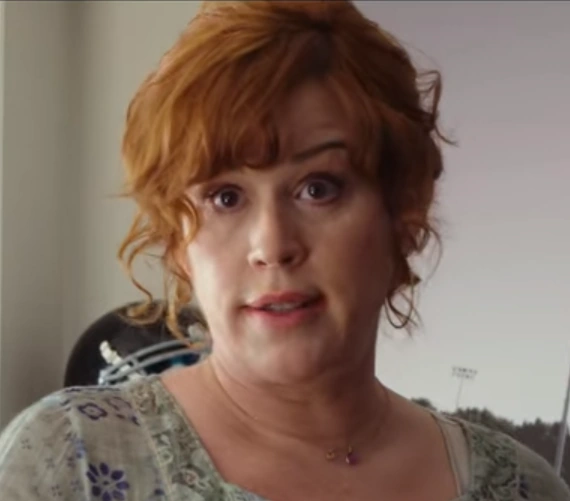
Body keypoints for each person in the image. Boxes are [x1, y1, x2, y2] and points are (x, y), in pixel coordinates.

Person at [0, 1, 568, 500]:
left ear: (403, 214)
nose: (272, 246)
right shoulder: (67, 461)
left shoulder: (523, 487)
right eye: (225, 198)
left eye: (318, 188)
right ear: (177, 242)